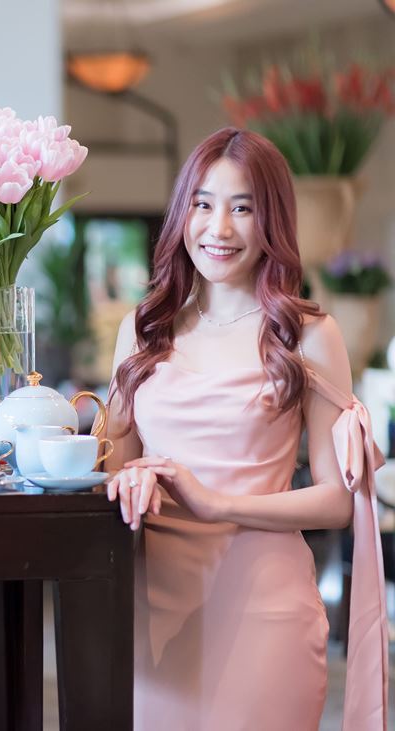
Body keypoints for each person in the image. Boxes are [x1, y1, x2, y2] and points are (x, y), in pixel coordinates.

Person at [103, 127, 388, 729]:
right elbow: (113, 468)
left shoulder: (307, 334)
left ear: (272, 220)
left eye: (243, 208)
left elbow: (336, 501)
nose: (219, 229)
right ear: (182, 213)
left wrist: (217, 503)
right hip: (154, 607)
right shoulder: (143, 330)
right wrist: (125, 479)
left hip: (265, 609)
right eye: (203, 204)